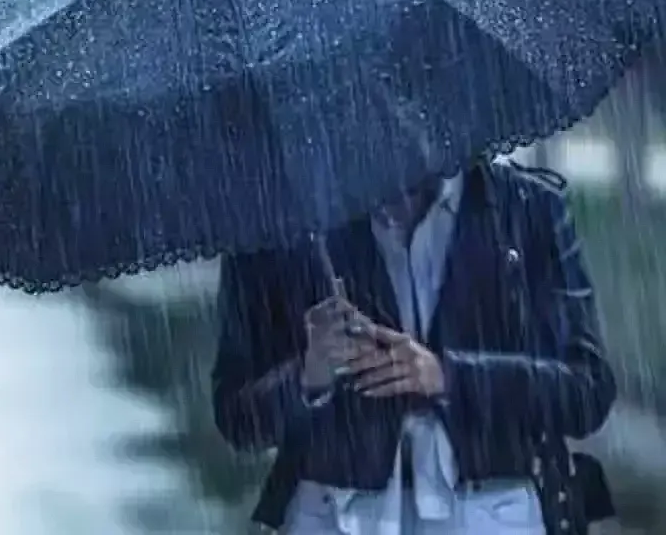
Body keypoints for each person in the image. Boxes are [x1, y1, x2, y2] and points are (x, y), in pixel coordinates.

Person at [211, 158, 616, 534]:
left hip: (491, 511)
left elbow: (587, 392)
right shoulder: (279, 225)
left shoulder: (526, 209)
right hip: (332, 513)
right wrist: (309, 374)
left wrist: (449, 377)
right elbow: (237, 419)